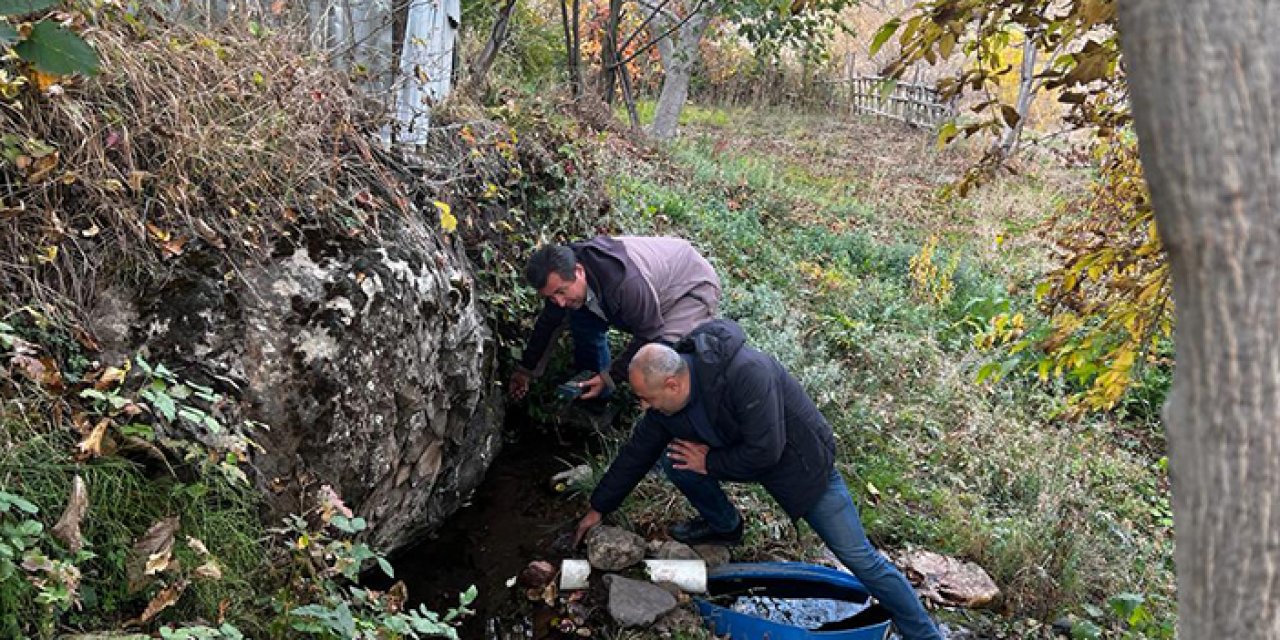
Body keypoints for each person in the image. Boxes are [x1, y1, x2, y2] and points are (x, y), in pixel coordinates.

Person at [572, 319, 944, 640]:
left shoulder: (746, 372)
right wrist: (598, 507)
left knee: (859, 558)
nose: (643, 407)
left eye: (646, 398)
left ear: (672, 384)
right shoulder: (666, 403)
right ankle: (725, 526)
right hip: (736, 454)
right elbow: (636, 452)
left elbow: (768, 450)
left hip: (800, 468)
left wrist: (711, 462)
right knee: (677, 460)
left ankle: (922, 632)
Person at [508, 236, 721, 402]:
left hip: (688, 287)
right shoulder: (562, 276)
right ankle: (594, 392)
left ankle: (663, 417)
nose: (559, 301)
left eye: (562, 292)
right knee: (579, 318)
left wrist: (612, 376)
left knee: (663, 354)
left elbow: (650, 335)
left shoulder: (625, 285)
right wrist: (526, 371)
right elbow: (549, 324)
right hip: (646, 288)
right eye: (552, 297)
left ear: (579, 272)